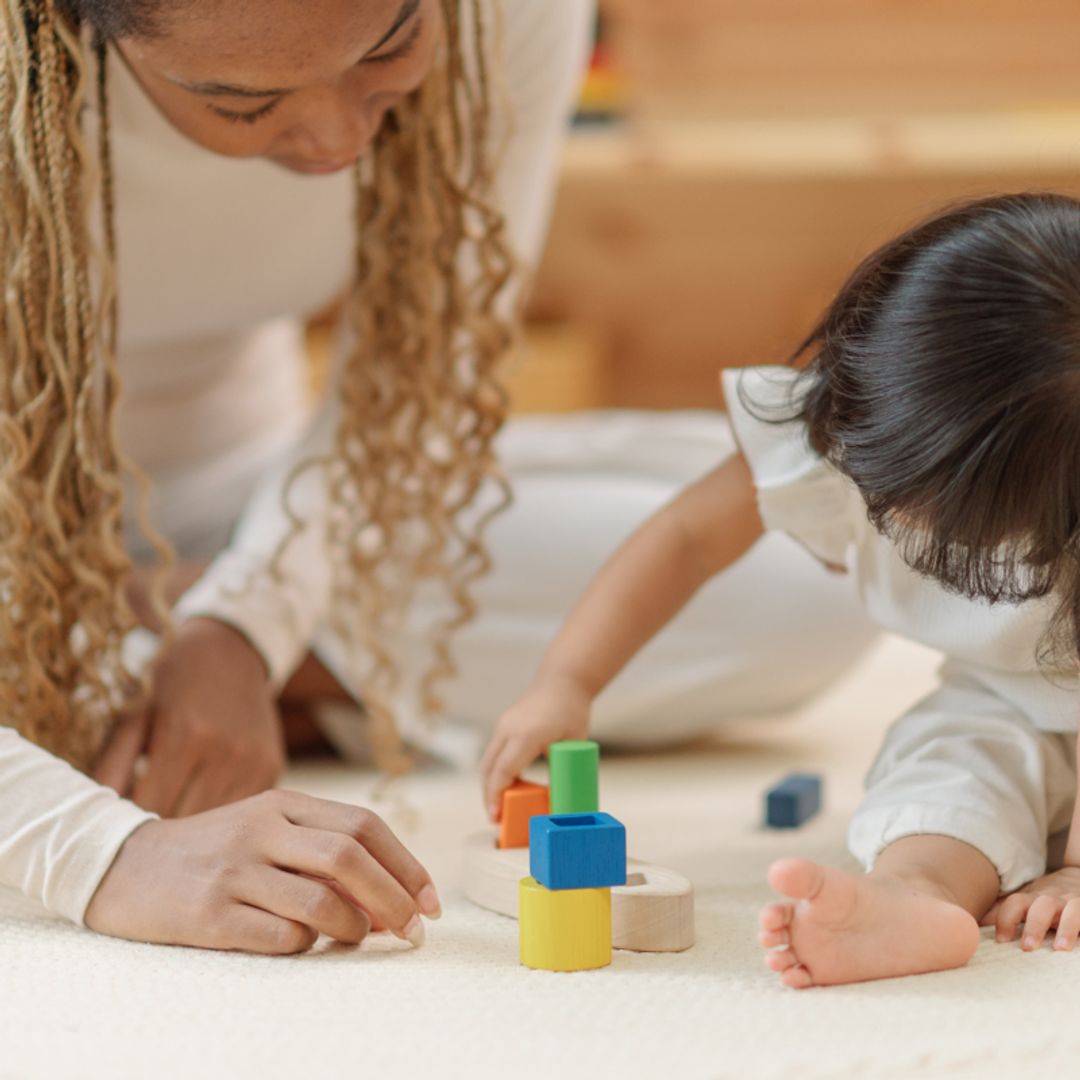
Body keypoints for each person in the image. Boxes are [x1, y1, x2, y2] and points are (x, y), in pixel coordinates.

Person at [0, 0, 871, 953]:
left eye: (389, 45)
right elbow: (108, 860)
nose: (338, 136)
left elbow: (414, 387)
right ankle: (107, 647)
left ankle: (133, 646)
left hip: (269, 494)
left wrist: (242, 626)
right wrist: (107, 855)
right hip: (19, 550)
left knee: (824, 553)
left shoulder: (510, 16)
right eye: (241, 102)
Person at [481, 192, 1080, 986]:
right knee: (944, 766)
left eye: (927, 501)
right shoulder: (843, 435)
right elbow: (686, 539)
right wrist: (566, 682)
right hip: (1002, 696)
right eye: (876, 460)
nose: (872, 489)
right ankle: (914, 898)